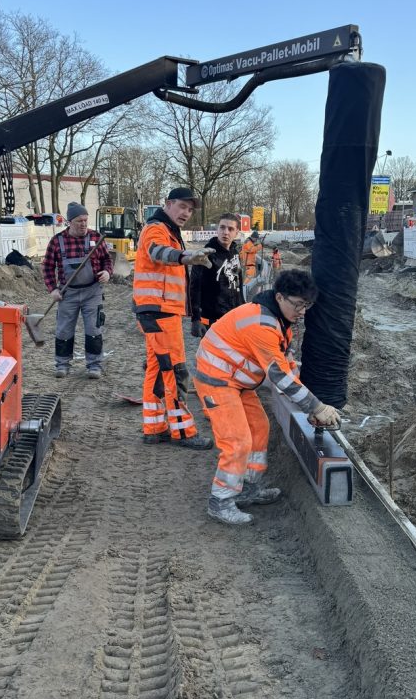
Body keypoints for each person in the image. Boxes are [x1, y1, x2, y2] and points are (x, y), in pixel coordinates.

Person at [194, 269, 342, 525]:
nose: (303, 311)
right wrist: (316, 406)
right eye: (298, 304)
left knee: (260, 429)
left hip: (238, 381)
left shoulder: (278, 321)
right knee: (237, 441)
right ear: (281, 297)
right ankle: (220, 502)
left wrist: (308, 405)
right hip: (217, 380)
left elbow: (287, 366)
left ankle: (247, 490)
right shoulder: (261, 325)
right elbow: (279, 377)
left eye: (307, 305)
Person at [133, 188, 214, 449]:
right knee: (176, 371)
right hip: (160, 312)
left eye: (190, 210)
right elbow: (159, 252)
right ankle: (183, 432)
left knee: (157, 369)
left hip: (156, 311)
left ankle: (154, 427)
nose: (186, 213)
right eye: (182, 206)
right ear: (168, 204)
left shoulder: (167, 232)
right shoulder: (157, 229)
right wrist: (184, 256)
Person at [42, 202, 112, 379]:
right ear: (69, 221)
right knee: (64, 330)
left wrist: (107, 273)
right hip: (68, 294)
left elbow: (107, 260)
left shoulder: (96, 238)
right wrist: (52, 289)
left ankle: (94, 366)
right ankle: (62, 365)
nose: (83, 224)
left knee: (94, 329)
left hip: (92, 292)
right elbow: (48, 267)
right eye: (79, 221)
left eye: (86, 220)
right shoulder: (57, 242)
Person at [190, 213, 245, 337]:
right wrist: (196, 319)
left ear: (236, 232)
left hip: (233, 318)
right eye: (222, 227)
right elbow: (194, 288)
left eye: (230, 229)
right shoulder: (206, 255)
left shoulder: (235, 253)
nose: (225, 232)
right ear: (217, 229)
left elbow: (238, 285)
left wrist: (243, 309)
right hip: (212, 321)